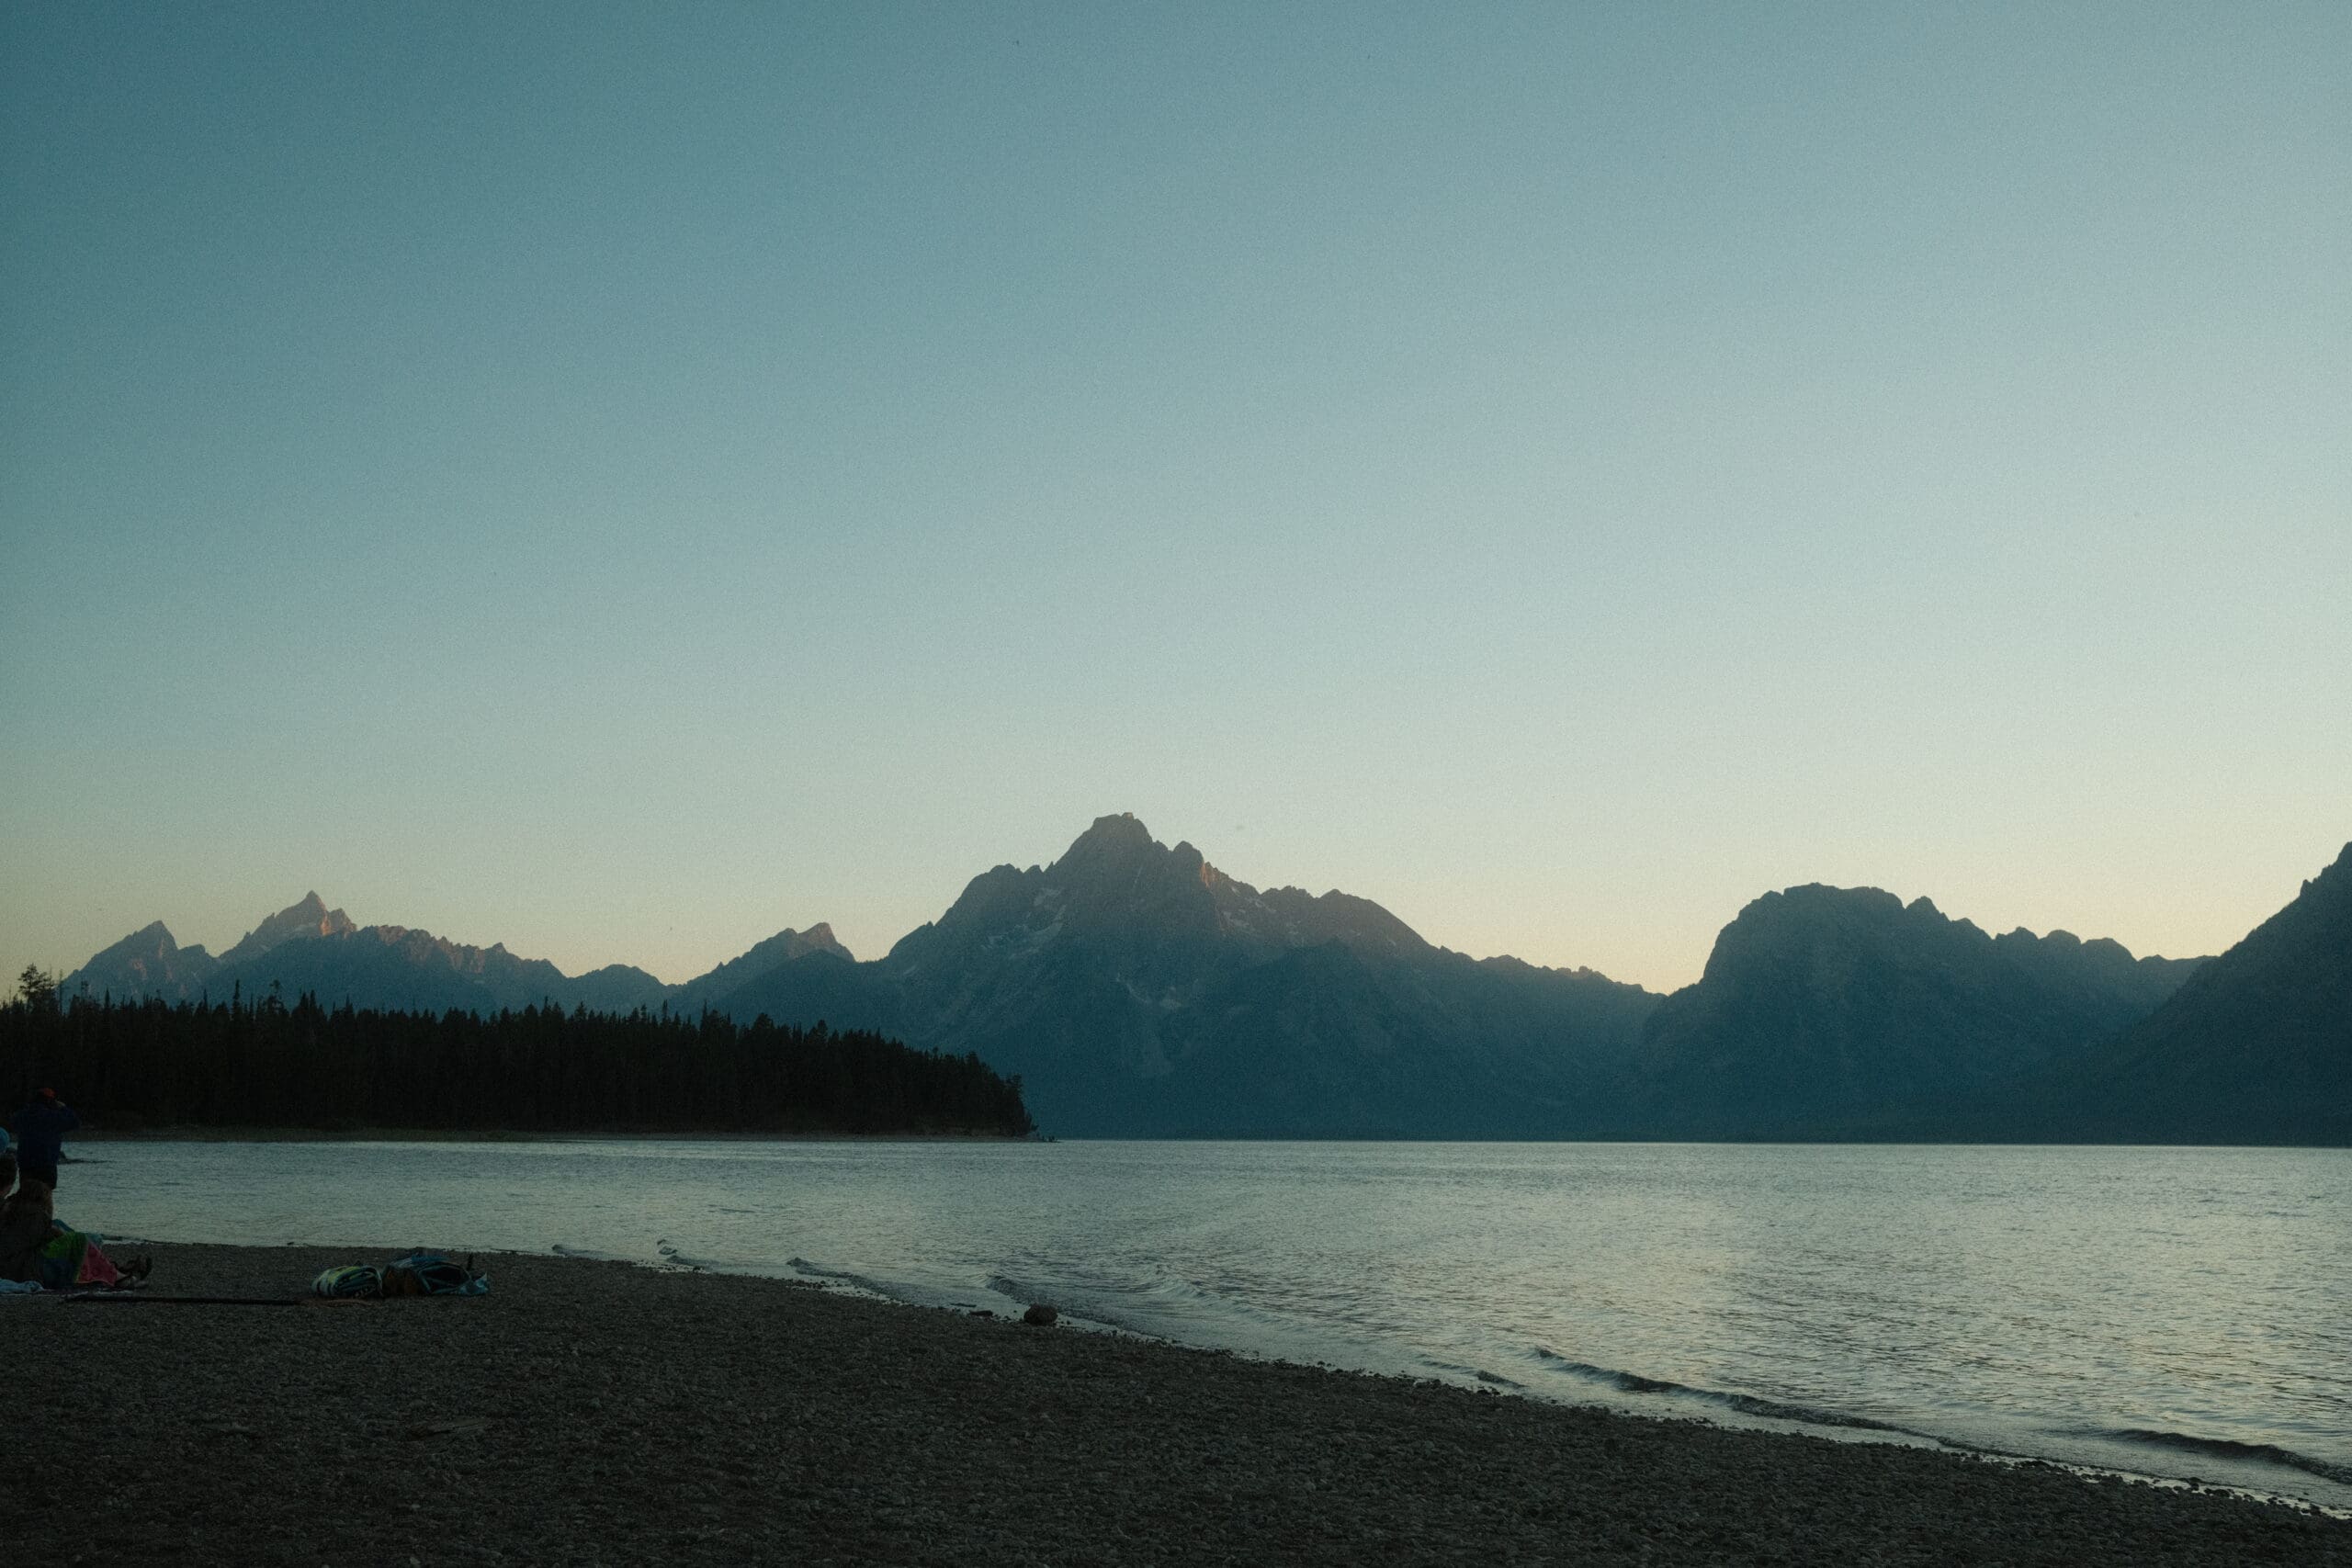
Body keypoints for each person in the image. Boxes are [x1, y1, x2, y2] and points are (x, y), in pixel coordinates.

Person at [0, 1178, 146, 1291]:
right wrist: (58, 1232)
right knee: (80, 1239)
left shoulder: (18, 1213)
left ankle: (112, 1270)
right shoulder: (32, 1217)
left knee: (73, 1232)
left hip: (22, 1265)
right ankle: (116, 1276)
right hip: (27, 1270)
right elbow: (43, 1238)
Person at [11, 1089, 79, 1191]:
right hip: (46, 1165)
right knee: (44, 1197)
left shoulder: (23, 1115)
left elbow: (13, 1122)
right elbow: (75, 1122)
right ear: (50, 1101)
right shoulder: (54, 1117)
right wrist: (64, 1108)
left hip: (26, 1165)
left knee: (26, 1194)